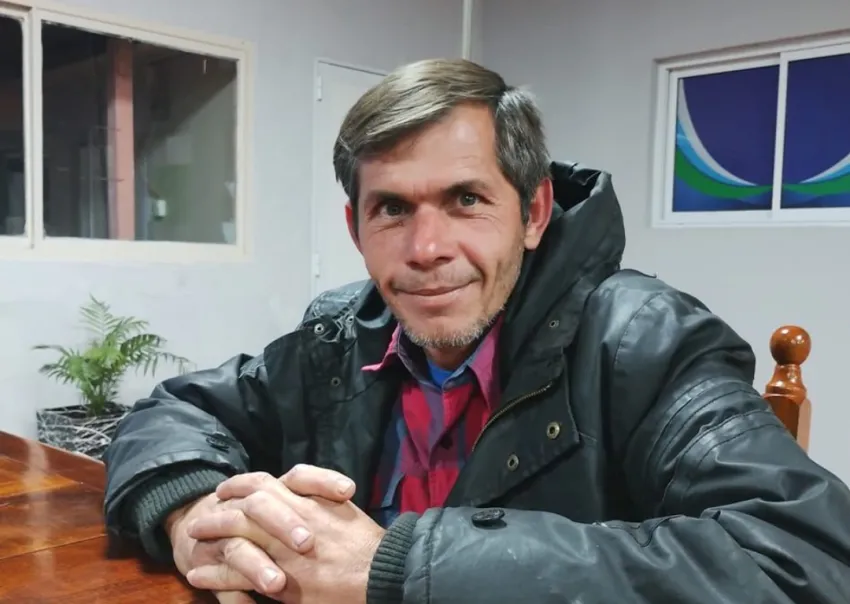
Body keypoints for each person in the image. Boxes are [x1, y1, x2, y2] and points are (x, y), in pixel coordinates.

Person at [103, 58, 850, 604]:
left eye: (465, 199)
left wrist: (400, 568)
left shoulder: (644, 341)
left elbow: (807, 560)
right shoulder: (342, 332)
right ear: (356, 229)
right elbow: (174, 414)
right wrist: (191, 512)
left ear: (532, 213)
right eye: (392, 208)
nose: (426, 249)